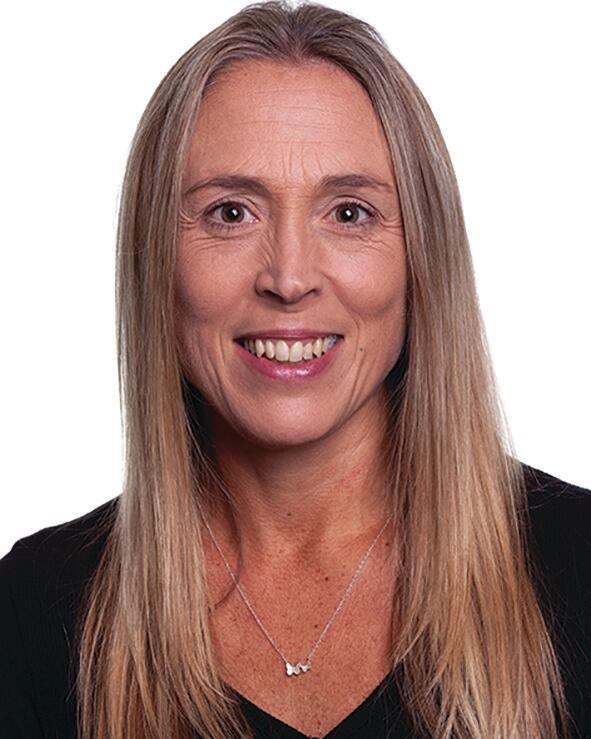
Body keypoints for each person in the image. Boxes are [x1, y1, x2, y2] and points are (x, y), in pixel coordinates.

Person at [1, 1, 589, 737]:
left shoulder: (578, 565)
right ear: (155, 260)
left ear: (423, 257)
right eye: (230, 213)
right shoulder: (33, 613)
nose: (288, 277)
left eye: (348, 213)